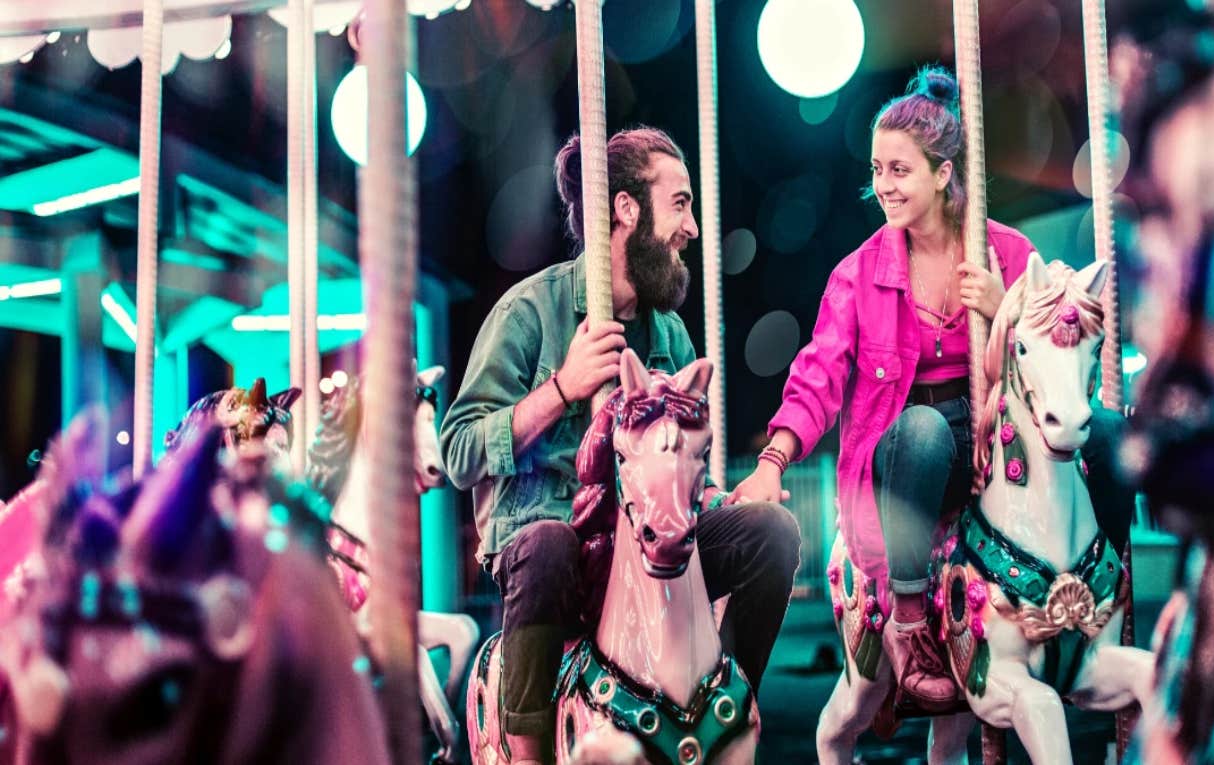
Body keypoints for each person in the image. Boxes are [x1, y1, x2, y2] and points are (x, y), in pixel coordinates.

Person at [732, 66, 1134, 709]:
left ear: (943, 174)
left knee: (1113, 432)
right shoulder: (857, 275)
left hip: (995, 440)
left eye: (899, 170)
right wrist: (774, 459)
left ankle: (1106, 589)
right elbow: (819, 371)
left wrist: (1006, 307)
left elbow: (1060, 351)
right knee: (922, 433)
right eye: (877, 169)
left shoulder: (1005, 252)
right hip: (908, 457)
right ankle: (910, 621)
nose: (882, 185)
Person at [441, 127, 801, 764]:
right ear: (627, 209)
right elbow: (460, 452)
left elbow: (680, 474)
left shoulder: (671, 338)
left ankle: (722, 716)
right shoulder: (530, 312)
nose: (691, 227)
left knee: (770, 532)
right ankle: (527, 750)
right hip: (553, 546)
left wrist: (718, 497)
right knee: (548, 544)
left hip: (647, 544)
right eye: (681, 203)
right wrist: (561, 388)